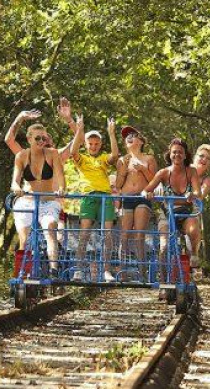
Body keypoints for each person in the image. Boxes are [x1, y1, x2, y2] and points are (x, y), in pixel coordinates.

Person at [142, 138, 201, 291]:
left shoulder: (191, 171)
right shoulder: (163, 173)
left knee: (193, 229)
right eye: (174, 152)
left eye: (180, 152)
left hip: (186, 212)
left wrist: (191, 194)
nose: (177, 155)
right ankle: (164, 283)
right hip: (167, 213)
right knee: (164, 246)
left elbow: (197, 191)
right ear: (169, 154)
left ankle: (193, 258)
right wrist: (148, 194)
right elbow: (146, 189)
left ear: (186, 155)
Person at [10, 123, 66, 277]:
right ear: (29, 139)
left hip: (48, 201)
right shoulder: (21, 156)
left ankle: (53, 269)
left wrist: (61, 188)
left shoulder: (52, 153)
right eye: (37, 138)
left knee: (50, 230)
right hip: (27, 201)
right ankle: (22, 273)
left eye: (44, 138)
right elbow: (15, 180)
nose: (41, 141)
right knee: (24, 239)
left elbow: (60, 177)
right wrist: (16, 187)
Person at [69, 115, 119, 282]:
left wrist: (111, 133)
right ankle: (78, 269)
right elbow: (73, 152)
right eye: (90, 143)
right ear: (86, 144)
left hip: (105, 197)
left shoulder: (104, 158)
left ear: (100, 144)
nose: (94, 146)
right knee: (84, 234)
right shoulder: (82, 159)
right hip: (89, 197)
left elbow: (115, 156)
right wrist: (79, 130)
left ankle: (106, 271)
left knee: (107, 234)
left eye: (97, 143)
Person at [116, 126, 157, 279]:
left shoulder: (149, 158)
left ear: (141, 141)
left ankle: (143, 273)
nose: (129, 137)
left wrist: (142, 169)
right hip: (126, 198)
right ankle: (122, 273)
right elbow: (118, 184)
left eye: (133, 135)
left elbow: (155, 181)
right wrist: (123, 170)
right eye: (126, 136)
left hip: (142, 198)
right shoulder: (122, 160)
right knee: (124, 235)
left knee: (139, 234)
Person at [188, 143, 210, 279]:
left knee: (194, 230)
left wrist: (193, 194)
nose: (204, 159)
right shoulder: (182, 170)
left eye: (208, 158)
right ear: (194, 157)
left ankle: (194, 255)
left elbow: (201, 194)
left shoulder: (207, 180)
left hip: (192, 211)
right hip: (173, 207)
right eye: (201, 156)